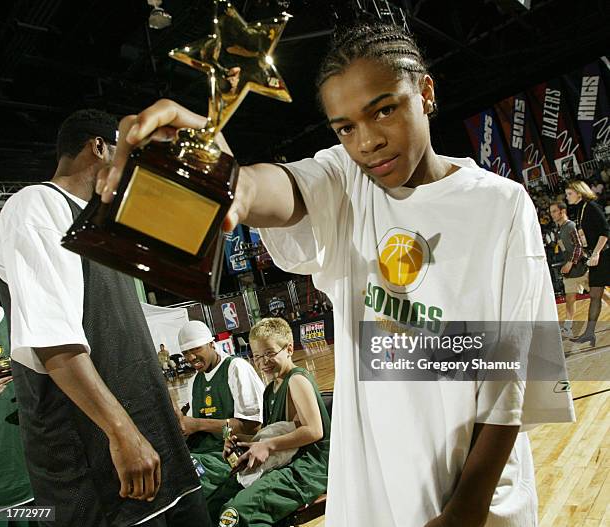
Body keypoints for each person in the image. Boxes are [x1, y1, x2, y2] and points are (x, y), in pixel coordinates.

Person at [99, 21, 575, 527]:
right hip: (374, 488)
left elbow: (516, 371)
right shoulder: (348, 183)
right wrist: (223, 180)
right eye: (345, 127)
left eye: (384, 109)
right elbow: (277, 189)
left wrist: (468, 507)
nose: (367, 141)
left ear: (426, 93)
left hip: (475, 492)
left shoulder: (500, 205)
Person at [0, 109, 209, 526]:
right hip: (96, 458)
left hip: (148, 437)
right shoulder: (35, 204)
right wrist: (121, 432)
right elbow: (53, 341)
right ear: (99, 146)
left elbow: (123, 339)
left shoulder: (104, 227)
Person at [208, 318, 330, 526]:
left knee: (234, 515)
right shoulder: (269, 390)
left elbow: (314, 430)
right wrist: (238, 441)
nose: (263, 361)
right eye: (256, 356)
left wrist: (267, 445)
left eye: (270, 353)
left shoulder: (297, 380)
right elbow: (269, 433)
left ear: (289, 349)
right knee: (212, 504)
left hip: (309, 467)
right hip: (283, 461)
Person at [176, 320, 265, 498]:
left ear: (211, 344)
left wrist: (198, 424)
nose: (191, 357)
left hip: (231, 454)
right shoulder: (194, 382)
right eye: (186, 353)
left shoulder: (235, 367)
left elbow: (252, 426)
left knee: (184, 474)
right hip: (203, 453)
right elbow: (191, 427)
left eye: (196, 349)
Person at [565, 180, 610, 346]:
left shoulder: (591, 206)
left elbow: (605, 231)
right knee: (595, 295)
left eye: (569, 193)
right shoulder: (580, 210)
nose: (567, 196)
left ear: (579, 192)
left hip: (604, 254)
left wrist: (596, 252)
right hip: (596, 257)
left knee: (596, 295)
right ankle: (590, 333)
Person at [549, 201, 588, 337]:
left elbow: (578, 246)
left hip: (582, 268)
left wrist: (571, 262)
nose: (551, 214)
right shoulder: (558, 230)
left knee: (601, 294)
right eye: (551, 211)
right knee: (570, 299)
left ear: (562, 211)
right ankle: (568, 327)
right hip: (570, 272)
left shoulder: (570, 226)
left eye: (554, 211)